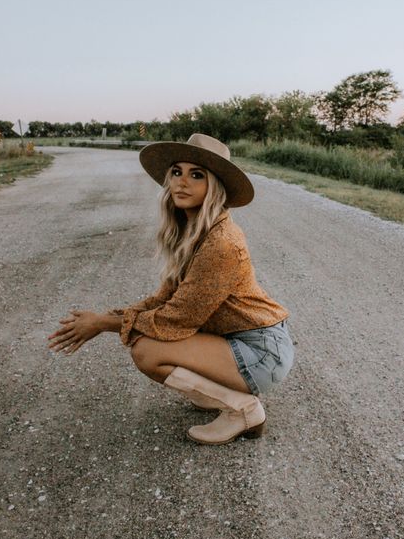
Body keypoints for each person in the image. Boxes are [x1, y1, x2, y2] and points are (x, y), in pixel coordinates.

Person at [48, 134, 294, 445]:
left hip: (261, 353)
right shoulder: (193, 233)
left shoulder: (222, 243)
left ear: (215, 186)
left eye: (197, 175)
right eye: (177, 172)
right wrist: (106, 315)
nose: (182, 182)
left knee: (147, 350)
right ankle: (217, 393)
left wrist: (104, 324)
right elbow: (163, 299)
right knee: (151, 335)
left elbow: (175, 319)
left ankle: (244, 410)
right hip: (239, 341)